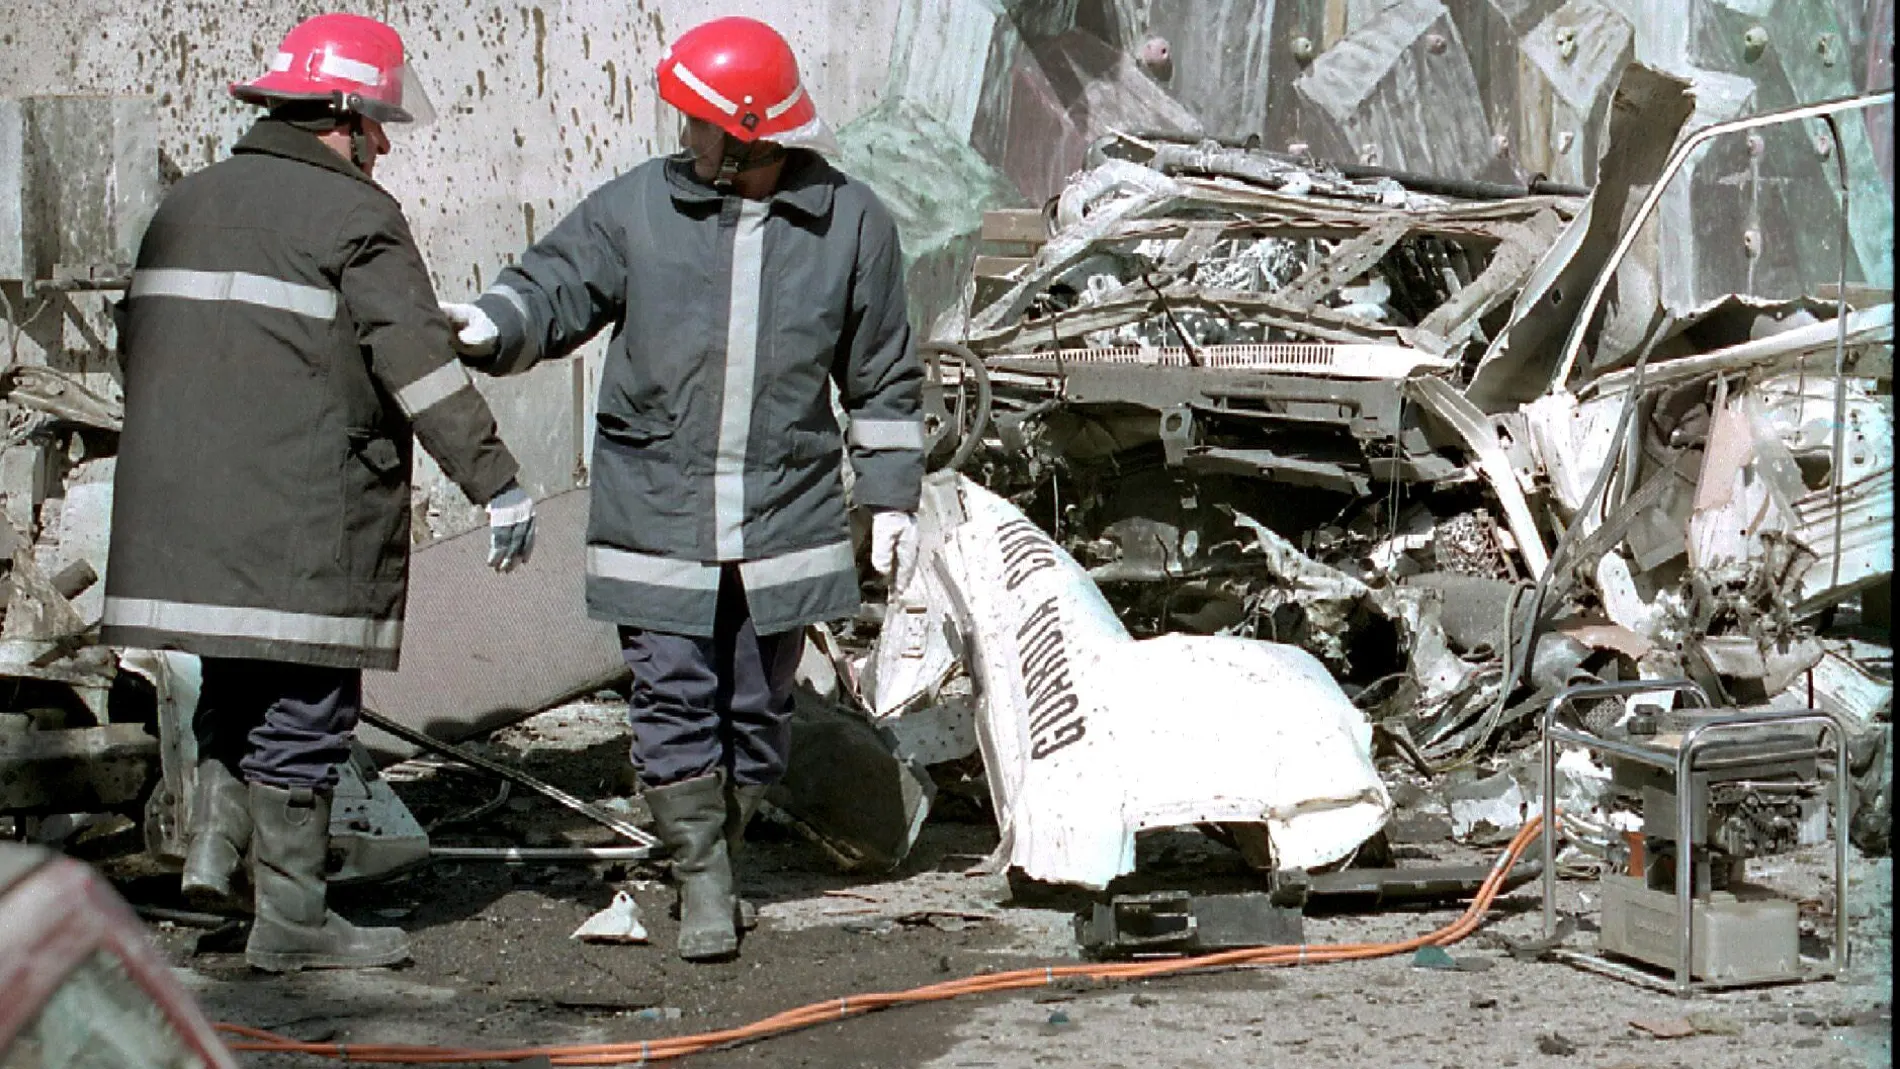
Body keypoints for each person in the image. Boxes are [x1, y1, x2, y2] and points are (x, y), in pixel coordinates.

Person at [443, 16, 923, 962]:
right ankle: (702, 880)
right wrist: (496, 322)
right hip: (658, 507)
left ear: (747, 133)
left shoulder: (851, 222)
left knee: (758, 708)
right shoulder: (639, 207)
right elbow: (556, 282)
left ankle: (721, 851)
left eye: (699, 120)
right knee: (672, 695)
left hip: (783, 517)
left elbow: (883, 376)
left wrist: (891, 496)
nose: (684, 135)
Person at [103, 13, 536, 972]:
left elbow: (143, 348)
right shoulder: (358, 217)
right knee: (305, 705)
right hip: (306, 515)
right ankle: (294, 920)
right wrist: (496, 482)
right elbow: (419, 369)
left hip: (187, 512)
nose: (384, 144)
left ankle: (218, 855)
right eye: (377, 124)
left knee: (234, 679)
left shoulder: (188, 203)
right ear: (340, 117)